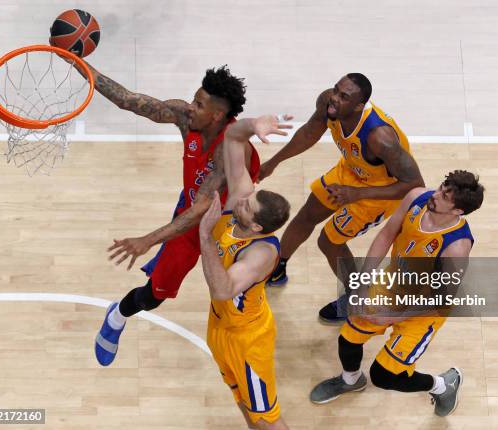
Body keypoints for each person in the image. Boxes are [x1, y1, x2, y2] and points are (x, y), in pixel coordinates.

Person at [84, 62, 260, 366]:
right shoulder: (185, 118)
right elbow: (127, 100)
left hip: (229, 225)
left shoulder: (232, 148)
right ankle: (118, 315)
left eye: (199, 104)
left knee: (235, 293)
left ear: (217, 115)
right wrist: (75, 61)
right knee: (154, 296)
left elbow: (203, 207)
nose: (190, 107)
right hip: (191, 218)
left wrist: (148, 240)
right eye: (193, 100)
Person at [309, 171, 484, 417]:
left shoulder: (456, 247)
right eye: (441, 187)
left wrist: (390, 317)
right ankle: (351, 380)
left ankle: (443, 385)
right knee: (348, 338)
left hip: (424, 308)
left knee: (384, 376)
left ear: (458, 211)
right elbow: (386, 235)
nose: (434, 195)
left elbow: (442, 299)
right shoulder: (416, 197)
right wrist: (362, 281)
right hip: (393, 284)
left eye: (444, 196)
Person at [258, 73, 424, 323]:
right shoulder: (328, 103)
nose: (334, 98)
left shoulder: (379, 137)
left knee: (329, 241)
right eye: (336, 90)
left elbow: (414, 185)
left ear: (359, 105)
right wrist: (274, 162)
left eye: (343, 96)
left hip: (381, 191)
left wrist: (357, 194)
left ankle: (355, 297)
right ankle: (277, 268)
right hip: (352, 171)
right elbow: (308, 133)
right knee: (307, 215)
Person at [199, 114, 292, 429]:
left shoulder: (261, 253)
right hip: (220, 325)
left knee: (267, 419)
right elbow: (232, 140)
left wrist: (204, 235)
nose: (239, 201)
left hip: (248, 338)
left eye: (246, 206)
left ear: (255, 226)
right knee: (242, 401)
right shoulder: (243, 202)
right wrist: (252, 126)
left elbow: (222, 289)